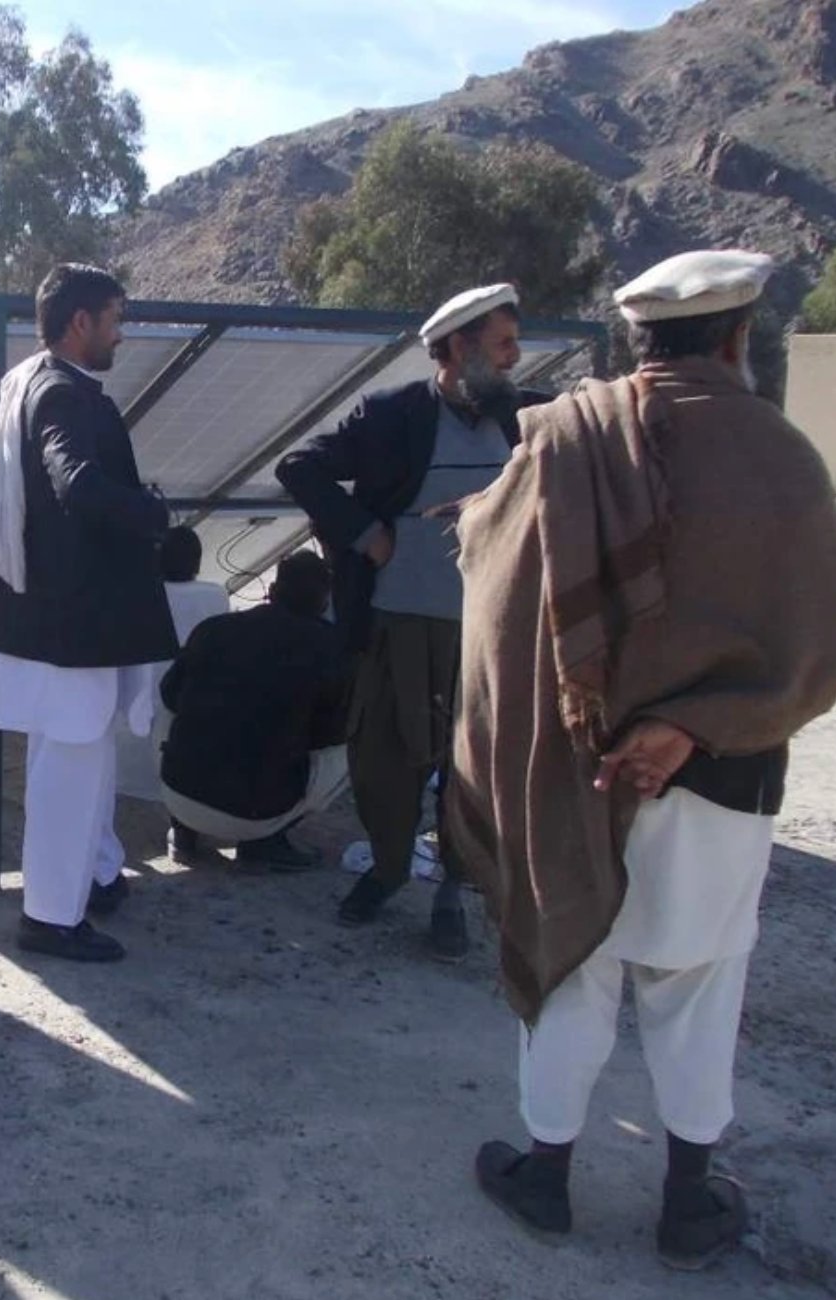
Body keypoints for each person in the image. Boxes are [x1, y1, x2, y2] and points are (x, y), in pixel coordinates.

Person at [448, 250, 836, 1268]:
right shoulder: (783, 458)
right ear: (735, 339)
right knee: (699, 982)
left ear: (640, 340)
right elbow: (823, 645)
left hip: (578, 769)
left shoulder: (563, 442)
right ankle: (687, 1199)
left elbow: (491, 589)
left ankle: (546, 1175)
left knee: (574, 967)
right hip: (725, 777)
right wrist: (697, 722)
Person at [276, 283, 551, 961]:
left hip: (491, 633)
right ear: (458, 348)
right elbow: (299, 466)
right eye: (502, 344)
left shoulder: (526, 416)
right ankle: (391, 868)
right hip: (400, 623)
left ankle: (454, 888)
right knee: (384, 763)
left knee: (474, 771)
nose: (515, 359)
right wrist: (366, 534)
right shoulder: (392, 415)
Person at [0, 263, 176, 963]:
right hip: (73, 620)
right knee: (71, 765)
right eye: (115, 319)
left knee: (73, 758)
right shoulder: (63, 395)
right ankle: (50, 918)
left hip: (53, 616)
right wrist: (152, 515)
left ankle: (89, 877)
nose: (120, 333)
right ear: (80, 322)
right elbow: (78, 483)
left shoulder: (33, 382)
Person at [158, 550, 350, 869]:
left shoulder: (213, 628)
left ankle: (183, 832)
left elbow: (168, 694)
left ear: (272, 593)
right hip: (257, 815)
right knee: (352, 740)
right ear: (324, 603)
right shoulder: (332, 651)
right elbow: (332, 733)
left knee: (171, 709)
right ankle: (265, 844)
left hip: (178, 793)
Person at [115, 525, 228, 805]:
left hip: (134, 740)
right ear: (197, 561)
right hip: (191, 726)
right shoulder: (215, 595)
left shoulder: (137, 597)